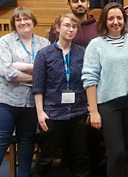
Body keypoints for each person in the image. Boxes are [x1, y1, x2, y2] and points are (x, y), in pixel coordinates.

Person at [82, 2, 128, 177]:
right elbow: (89, 78)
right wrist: (93, 111)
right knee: (116, 152)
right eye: (111, 18)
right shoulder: (96, 44)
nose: (115, 22)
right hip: (108, 104)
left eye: (119, 18)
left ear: (124, 20)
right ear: (104, 21)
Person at [32, 13, 89, 177]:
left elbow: (89, 81)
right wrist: (40, 112)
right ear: (57, 28)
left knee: (80, 157)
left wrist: (90, 107)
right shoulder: (44, 54)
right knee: (46, 158)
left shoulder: (83, 53)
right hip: (53, 113)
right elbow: (38, 86)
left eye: (74, 26)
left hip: (78, 112)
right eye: (67, 25)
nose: (71, 29)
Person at [0, 7, 49, 177]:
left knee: (27, 143)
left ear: (33, 21)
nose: (22, 22)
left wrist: (21, 66)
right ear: (14, 24)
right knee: (1, 140)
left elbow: (49, 71)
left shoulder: (44, 43)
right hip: (8, 101)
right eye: (18, 20)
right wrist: (37, 74)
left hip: (32, 103)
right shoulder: (5, 42)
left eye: (26, 18)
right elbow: (7, 72)